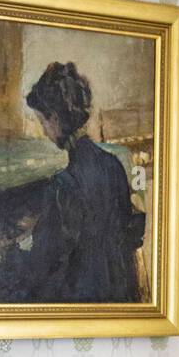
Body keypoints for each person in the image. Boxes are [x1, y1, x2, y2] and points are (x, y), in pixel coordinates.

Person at [22, 61, 146, 303]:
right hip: (118, 295)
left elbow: (44, 263)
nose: (45, 132)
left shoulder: (63, 185)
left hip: (81, 297)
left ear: (55, 120)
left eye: (43, 122)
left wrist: (16, 250)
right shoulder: (114, 165)